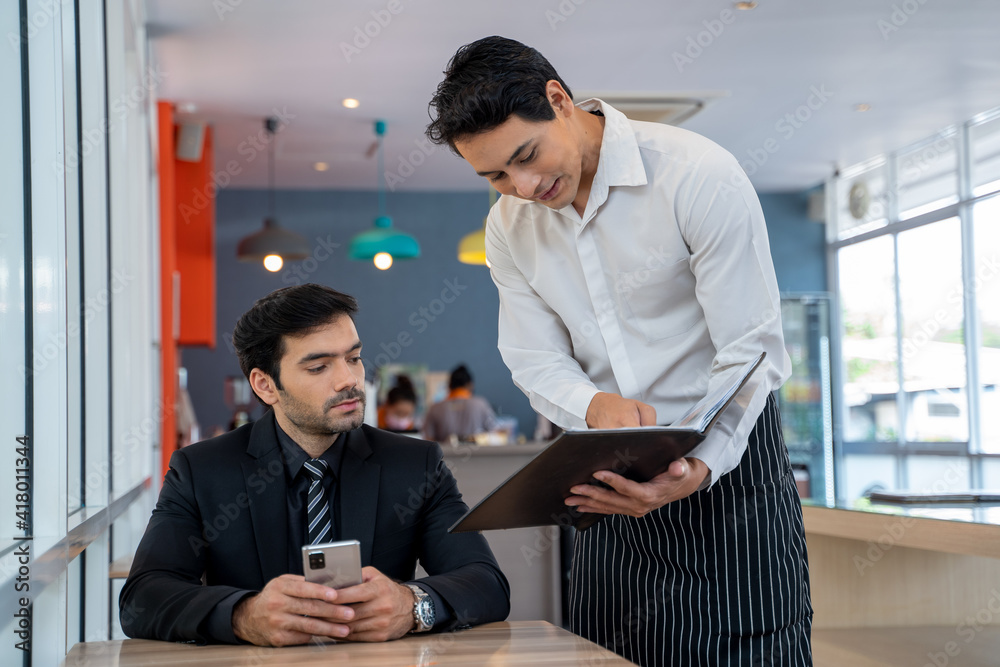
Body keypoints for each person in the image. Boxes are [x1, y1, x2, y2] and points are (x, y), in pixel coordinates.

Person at [426, 36, 812, 666]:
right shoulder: (508, 227)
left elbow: (752, 352)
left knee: (752, 651)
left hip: (728, 467)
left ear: (559, 99)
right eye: (495, 174)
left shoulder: (695, 174)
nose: (522, 186)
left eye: (526, 155)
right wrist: (592, 404)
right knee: (613, 653)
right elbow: (533, 358)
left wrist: (702, 463)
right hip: (608, 478)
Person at [120, 284, 510, 646]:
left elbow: (487, 583)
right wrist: (243, 615)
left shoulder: (415, 464)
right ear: (265, 385)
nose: (348, 380)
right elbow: (143, 597)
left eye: (354, 358)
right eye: (319, 367)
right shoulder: (201, 470)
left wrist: (413, 606)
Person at [422, 364, 497, 443]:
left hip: (445, 454)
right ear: (470, 385)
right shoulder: (481, 405)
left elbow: (428, 439)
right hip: (477, 454)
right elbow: (494, 434)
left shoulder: (435, 408)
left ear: (449, 386)